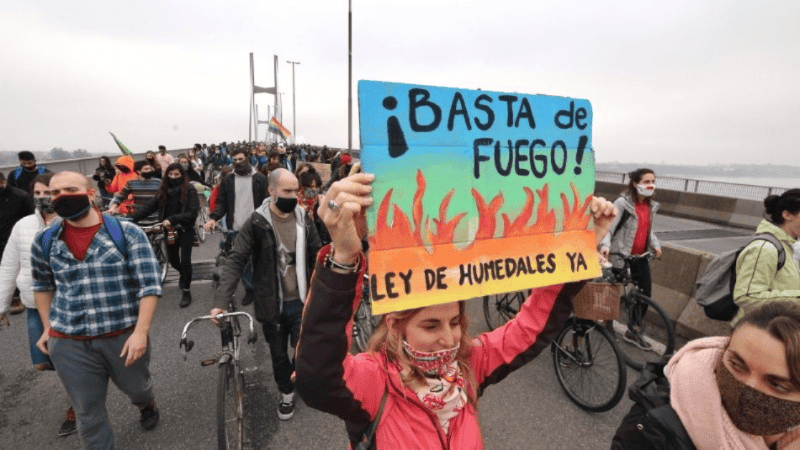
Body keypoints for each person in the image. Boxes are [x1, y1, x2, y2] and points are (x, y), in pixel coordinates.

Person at [294, 173, 616, 449]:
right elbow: (318, 375)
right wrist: (344, 257)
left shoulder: (468, 365)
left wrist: (580, 245)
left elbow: (530, 326)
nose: (449, 338)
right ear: (394, 326)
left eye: (455, 322)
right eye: (431, 326)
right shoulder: (373, 380)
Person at [31, 171, 163, 449]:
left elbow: (149, 285)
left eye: (69, 189)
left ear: (91, 193)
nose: (61, 197)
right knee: (87, 413)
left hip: (122, 335)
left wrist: (141, 332)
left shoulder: (126, 233)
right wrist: (47, 327)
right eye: (54, 193)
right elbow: (42, 286)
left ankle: (145, 404)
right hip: (69, 340)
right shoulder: (44, 241)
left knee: (137, 387)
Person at [611, 301, 800, 449]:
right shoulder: (656, 428)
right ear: (724, 350)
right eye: (736, 365)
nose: (748, 388)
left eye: (777, 385)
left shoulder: (788, 435)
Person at [211, 168, 322, 421]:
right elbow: (236, 259)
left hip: (303, 302)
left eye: (296, 191)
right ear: (271, 191)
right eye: (287, 191)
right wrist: (220, 302)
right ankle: (285, 392)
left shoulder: (304, 218)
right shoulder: (257, 222)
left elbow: (318, 255)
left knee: (306, 353)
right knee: (278, 355)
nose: (294, 196)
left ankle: (299, 378)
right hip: (272, 305)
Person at [0, 173, 77, 437]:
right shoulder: (22, 226)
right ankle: (84, 384)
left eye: (50, 193)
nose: (44, 198)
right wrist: (1, 306)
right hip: (35, 304)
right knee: (43, 362)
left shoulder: (75, 221)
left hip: (69, 304)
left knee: (65, 359)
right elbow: (10, 265)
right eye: (39, 193)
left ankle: (78, 404)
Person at [599, 168, 662, 350]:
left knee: (644, 295)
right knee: (613, 292)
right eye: (646, 182)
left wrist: (655, 244)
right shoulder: (622, 203)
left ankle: (633, 330)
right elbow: (609, 227)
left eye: (653, 181)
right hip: (622, 257)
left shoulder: (649, 206)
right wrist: (605, 245)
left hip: (640, 258)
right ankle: (607, 325)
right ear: (635, 184)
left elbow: (647, 229)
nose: (650, 185)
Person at [204, 147, 268, 306]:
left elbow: (267, 202)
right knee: (243, 262)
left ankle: (262, 288)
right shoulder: (228, 180)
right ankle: (249, 289)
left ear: (248, 158)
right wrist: (214, 218)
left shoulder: (260, 178)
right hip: (237, 228)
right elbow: (222, 203)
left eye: (241, 159)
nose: (238, 162)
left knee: (261, 260)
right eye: (235, 160)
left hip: (258, 227)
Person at [132, 163, 199, 307]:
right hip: (169, 231)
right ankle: (182, 273)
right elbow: (149, 207)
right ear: (166, 175)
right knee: (173, 260)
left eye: (177, 175)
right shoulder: (163, 190)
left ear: (182, 175)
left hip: (185, 229)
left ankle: (186, 291)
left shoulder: (189, 190)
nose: (173, 177)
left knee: (185, 260)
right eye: (170, 174)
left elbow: (192, 213)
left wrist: (173, 219)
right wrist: (131, 219)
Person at [731, 189, 800, 325]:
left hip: (778, 331)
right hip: (756, 335)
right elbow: (747, 296)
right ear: (787, 215)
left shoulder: (791, 246)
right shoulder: (765, 248)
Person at [0, 171, 35, 315]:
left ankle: (18, 296)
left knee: (17, 266)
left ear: (3, 182)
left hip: (15, 236)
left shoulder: (21, 196)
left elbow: (32, 216)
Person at [298, 170, 331, 246]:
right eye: (311, 186)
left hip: (320, 242)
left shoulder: (322, 199)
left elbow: (337, 208)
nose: (314, 189)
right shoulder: (296, 202)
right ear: (303, 186)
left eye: (316, 186)